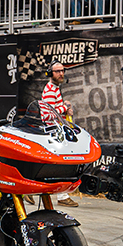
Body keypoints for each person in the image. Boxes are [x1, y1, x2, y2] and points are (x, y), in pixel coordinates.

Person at [40, 61, 78, 207]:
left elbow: (54, 110)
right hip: (53, 133)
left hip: (56, 132)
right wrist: (65, 107)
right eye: (57, 71)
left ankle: (25, 194)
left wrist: (64, 108)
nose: (61, 73)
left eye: (62, 70)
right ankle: (62, 196)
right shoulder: (50, 90)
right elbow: (47, 116)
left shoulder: (54, 88)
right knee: (62, 164)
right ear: (50, 73)